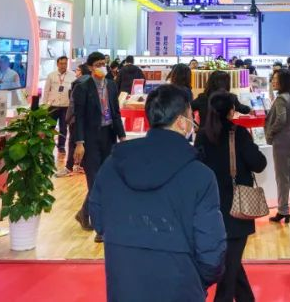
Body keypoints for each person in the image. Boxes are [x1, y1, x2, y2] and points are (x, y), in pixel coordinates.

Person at [89, 84, 226, 302]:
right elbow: (211, 248)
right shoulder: (201, 176)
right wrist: (197, 281)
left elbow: (98, 218)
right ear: (182, 122)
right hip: (181, 287)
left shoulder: (113, 165)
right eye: (191, 116)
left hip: (124, 283)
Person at [196, 92, 268, 302]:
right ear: (231, 110)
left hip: (210, 206)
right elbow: (259, 163)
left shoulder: (202, 135)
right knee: (230, 263)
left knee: (230, 260)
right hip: (237, 207)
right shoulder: (239, 134)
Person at [73, 51, 126, 242]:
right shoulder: (82, 87)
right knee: (95, 181)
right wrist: (79, 142)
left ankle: (84, 212)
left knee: (106, 180)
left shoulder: (111, 85)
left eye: (104, 63)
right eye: (97, 64)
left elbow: (116, 112)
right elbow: (79, 117)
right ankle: (100, 228)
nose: (102, 67)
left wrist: (122, 136)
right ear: (89, 67)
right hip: (90, 138)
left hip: (108, 135)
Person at [265, 69, 290, 223]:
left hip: (282, 141)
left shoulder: (281, 98)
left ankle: (283, 211)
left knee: (282, 178)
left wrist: (270, 133)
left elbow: (281, 119)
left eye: (276, 79)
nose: (273, 81)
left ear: (284, 81)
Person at [43, 56, 76, 177]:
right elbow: (46, 90)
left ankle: (61, 146)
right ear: (57, 64)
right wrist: (44, 105)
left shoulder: (72, 75)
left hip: (66, 105)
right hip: (53, 105)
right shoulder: (51, 75)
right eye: (61, 63)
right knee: (50, 127)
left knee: (63, 127)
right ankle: (48, 145)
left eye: (65, 63)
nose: (63, 65)